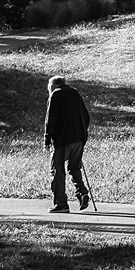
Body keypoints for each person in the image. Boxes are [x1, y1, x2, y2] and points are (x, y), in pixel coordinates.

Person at [44, 75, 91, 213]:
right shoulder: (75, 92)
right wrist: (81, 132)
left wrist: (47, 139)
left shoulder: (55, 95)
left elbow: (50, 119)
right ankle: (82, 193)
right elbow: (86, 116)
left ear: (52, 85)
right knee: (74, 167)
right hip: (79, 138)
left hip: (62, 140)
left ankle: (61, 204)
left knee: (58, 171)